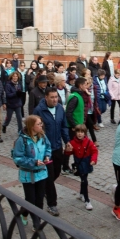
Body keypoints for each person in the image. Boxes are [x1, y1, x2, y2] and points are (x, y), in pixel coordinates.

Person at [33, 86, 71, 217]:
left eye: (56, 97)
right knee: (49, 177)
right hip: (44, 150)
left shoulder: (60, 108)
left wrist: (67, 141)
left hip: (57, 147)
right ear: (46, 98)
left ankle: (43, 188)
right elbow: (34, 130)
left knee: (57, 172)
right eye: (52, 97)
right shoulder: (39, 110)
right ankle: (52, 204)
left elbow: (64, 126)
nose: (55, 100)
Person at [11, 115, 51, 226]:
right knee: (30, 200)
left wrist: (47, 156)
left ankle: (36, 221)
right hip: (28, 175)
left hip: (42, 173)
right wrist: (33, 162)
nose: (41, 125)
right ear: (32, 126)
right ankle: (27, 215)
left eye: (41, 123)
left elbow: (48, 147)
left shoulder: (42, 136)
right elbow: (17, 158)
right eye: (38, 124)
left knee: (39, 199)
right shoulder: (22, 140)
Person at [69, 124, 98, 210]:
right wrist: (67, 150)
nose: (80, 134)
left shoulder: (89, 142)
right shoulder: (72, 143)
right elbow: (68, 153)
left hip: (87, 163)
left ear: (85, 133)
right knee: (84, 181)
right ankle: (87, 200)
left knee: (84, 179)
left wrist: (93, 160)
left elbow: (94, 151)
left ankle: (81, 194)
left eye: (82, 132)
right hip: (79, 164)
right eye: (78, 132)